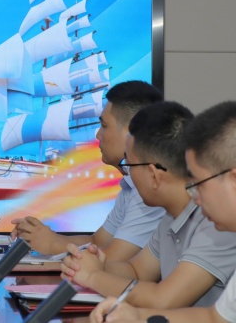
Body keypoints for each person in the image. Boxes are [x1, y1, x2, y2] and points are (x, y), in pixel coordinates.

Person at [62, 101, 236, 309]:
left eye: (129, 165)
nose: (128, 173)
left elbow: (162, 299)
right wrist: (98, 265)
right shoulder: (170, 217)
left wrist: (92, 276)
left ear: (153, 175)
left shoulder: (216, 223)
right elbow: (137, 271)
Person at [10, 80, 165, 261]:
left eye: (104, 126)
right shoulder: (130, 186)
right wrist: (40, 235)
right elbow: (97, 241)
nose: (98, 135)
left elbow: (113, 260)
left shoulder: (149, 189)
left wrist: (52, 244)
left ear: (132, 133)